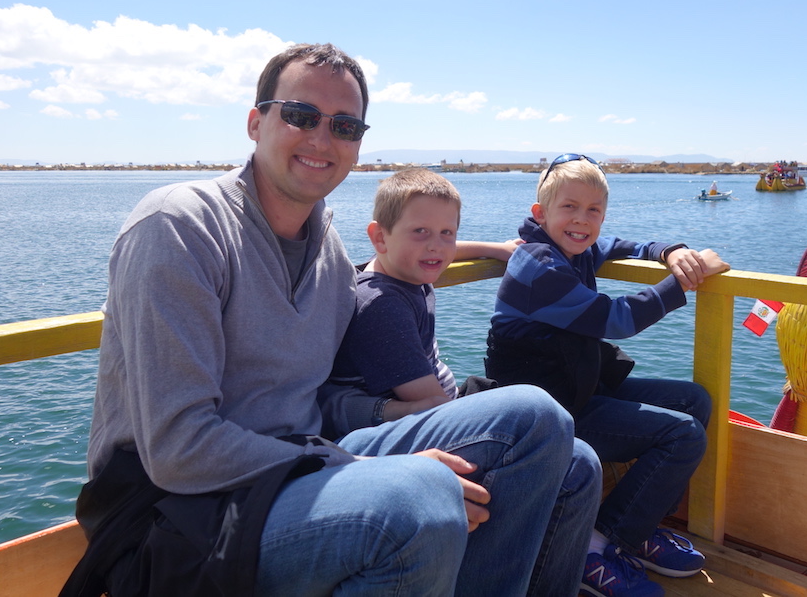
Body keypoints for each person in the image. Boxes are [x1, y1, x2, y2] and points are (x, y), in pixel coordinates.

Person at [62, 45, 602, 597]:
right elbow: (179, 449)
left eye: (344, 126)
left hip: (299, 462)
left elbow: (325, 395)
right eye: (300, 115)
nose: (322, 139)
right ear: (255, 123)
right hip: (178, 512)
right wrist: (359, 464)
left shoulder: (329, 255)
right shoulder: (181, 226)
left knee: (559, 449)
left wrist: (385, 419)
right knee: (415, 500)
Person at [484, 153, 730, 597]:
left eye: (593, 210)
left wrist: (669, 251)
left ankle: (636, 528)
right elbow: (617, 319)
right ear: (540, 213)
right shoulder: (539, 266)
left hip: (574, 391)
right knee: (684, 435)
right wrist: (684, 281)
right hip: (543, 416)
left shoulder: (574, 247)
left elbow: (619, 245)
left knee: (694, 400)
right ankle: (595, 549)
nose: (582, 220)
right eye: (569, 207)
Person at [322, 167, 517, 436]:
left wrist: (496, 249)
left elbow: (442, 248)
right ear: (380, 237)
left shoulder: (401, 266)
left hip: (434, 409)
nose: (436, 246)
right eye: (421, 230)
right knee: (532, 412)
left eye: (447, 232)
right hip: (401, 430)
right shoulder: (383, 306)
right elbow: (435, 407)